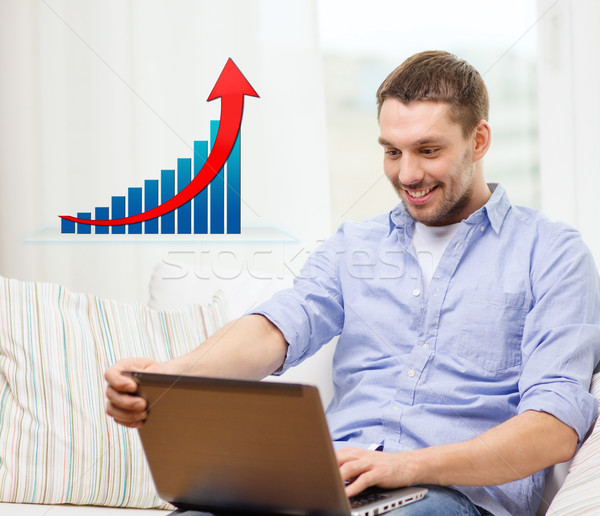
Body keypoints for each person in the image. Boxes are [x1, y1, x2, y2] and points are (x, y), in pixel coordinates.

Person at [105, 51, 600, 516]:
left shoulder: (551, 253)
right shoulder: (354, 246)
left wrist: (406, 466)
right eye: (392, 151)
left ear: (480, 140)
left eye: (428, 150)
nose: (407, 174)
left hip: (450, 498)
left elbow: (554, 427)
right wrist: (170, 379)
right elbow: (280, 327)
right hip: (332, 485)